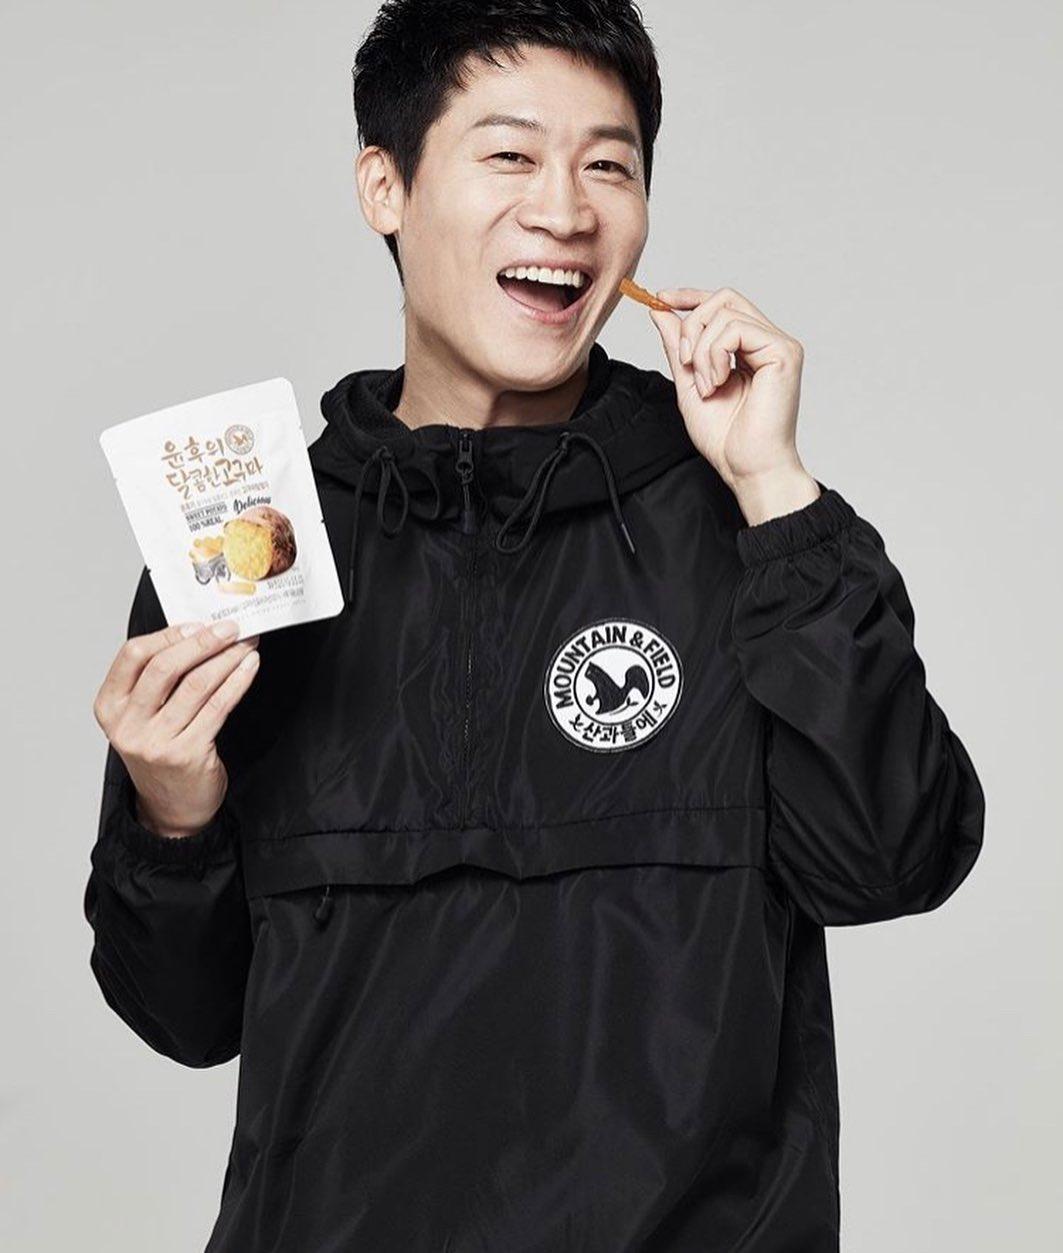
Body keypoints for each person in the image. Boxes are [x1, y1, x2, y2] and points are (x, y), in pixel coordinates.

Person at [84, 2, 986, 1248]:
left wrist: (776, 491)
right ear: (385, 185)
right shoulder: (255, 549)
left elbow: (890, 862)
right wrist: (171, 817)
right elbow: (184, 1017)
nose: (563, 211)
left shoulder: (743, 524)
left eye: (608, 165)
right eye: (509, 155)